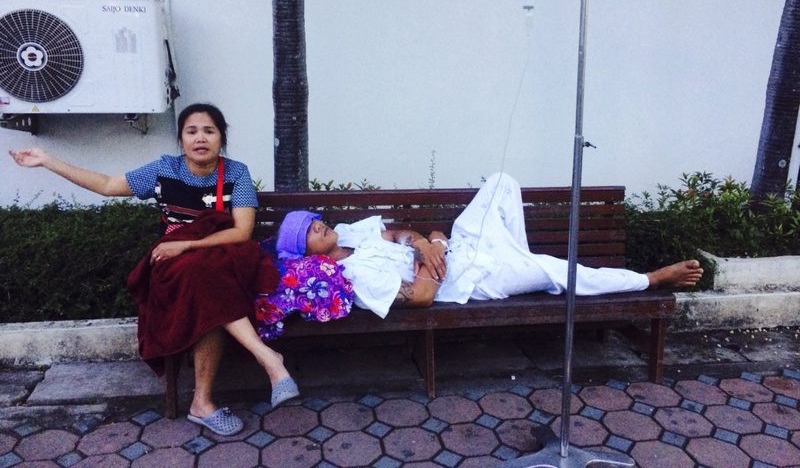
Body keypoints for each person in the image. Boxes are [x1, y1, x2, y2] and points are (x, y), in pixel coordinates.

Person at [9, 102, 298, 436]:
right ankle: (266, 360)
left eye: (209, 130)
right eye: (191, 131)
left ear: (222, 138)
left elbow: (241, 233)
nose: (200, 138)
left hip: (222, 262)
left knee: (206, 280)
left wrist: (186, 244)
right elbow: (106, 184)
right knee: (202, 281)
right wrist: (48, 160)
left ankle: (205, 401)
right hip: (174, 269)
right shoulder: (164, 170)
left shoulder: (235, 173)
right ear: (181, 139)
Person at [275, 173, 703, 319]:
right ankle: (648, 280)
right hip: (470, 279)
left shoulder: (350, 234)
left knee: (501, 183)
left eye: (317, 220)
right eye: (312, 230)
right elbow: (422, 297)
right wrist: (430, 263)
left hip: (457, 247)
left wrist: (426, 242)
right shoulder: (348, 278)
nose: (322, 225)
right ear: (306, 252)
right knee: (554, 271)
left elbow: (396, 232)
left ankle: (519, 257)